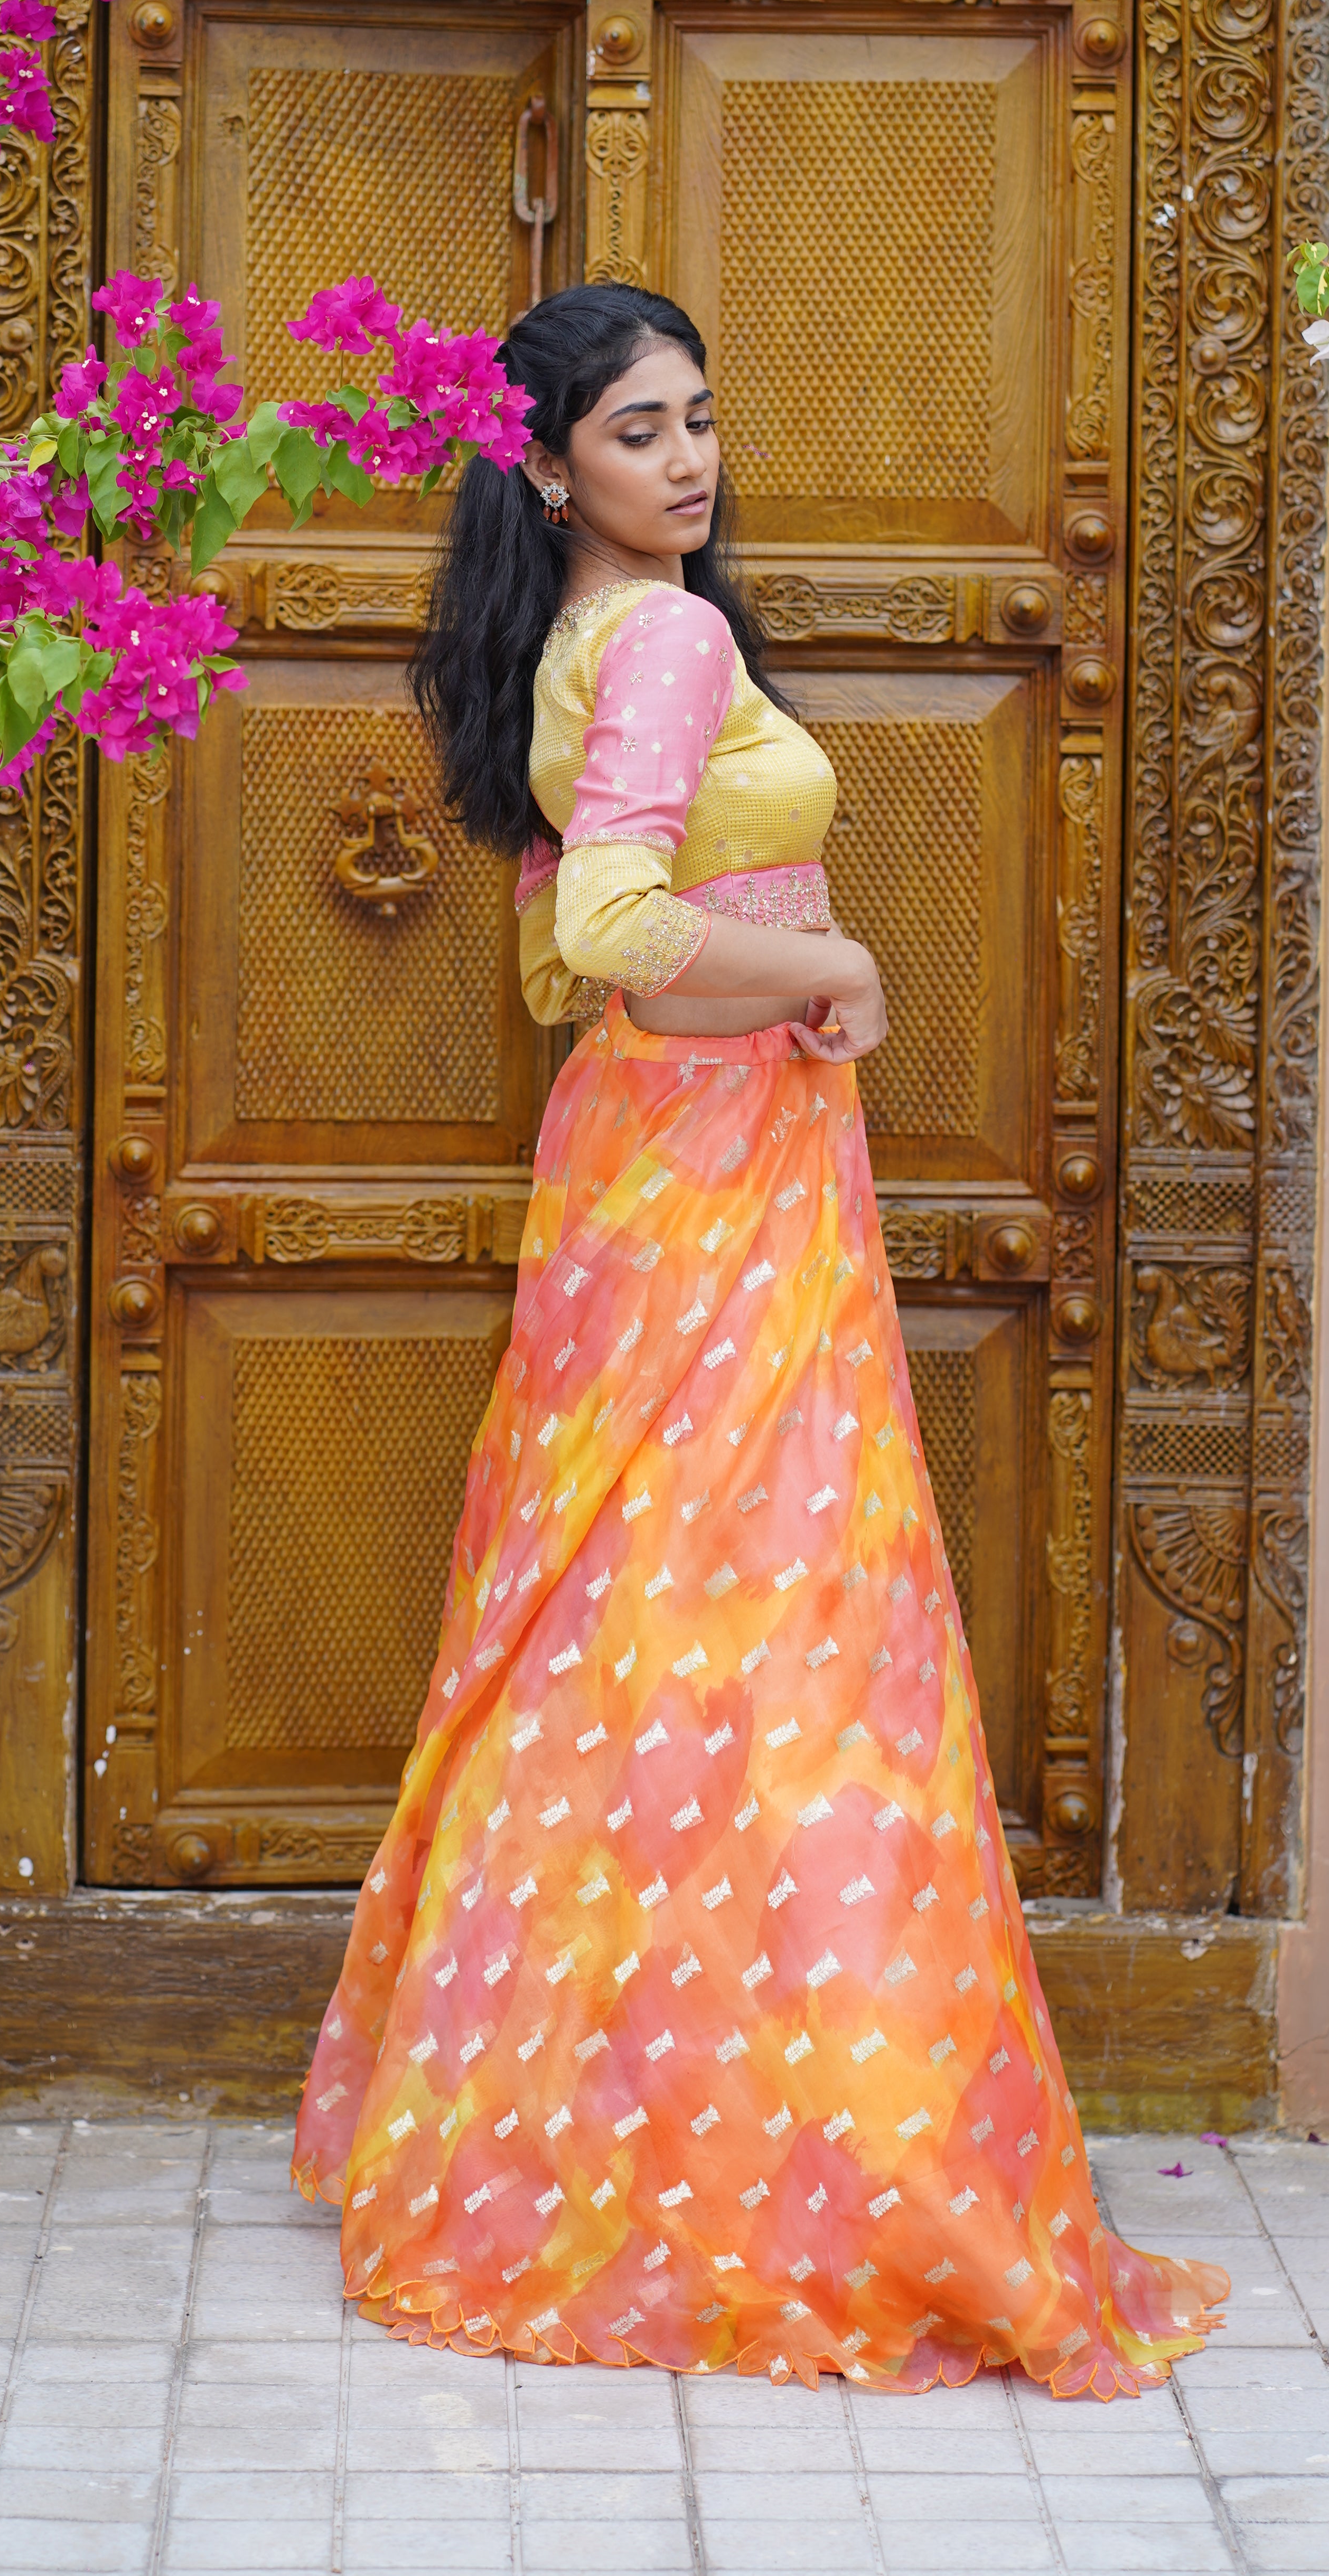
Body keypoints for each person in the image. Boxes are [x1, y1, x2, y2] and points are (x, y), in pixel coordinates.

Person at [293, 284, 1226, 2398]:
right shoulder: (670, 637)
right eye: (639, 431)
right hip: (710, 1173)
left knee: (621, 1636)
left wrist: (760, 972)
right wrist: (841, 957)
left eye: (700, 418)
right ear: (548, 467)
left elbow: (566, 966)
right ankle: (794, 2166)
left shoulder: (563, 639)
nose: (688, 461)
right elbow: (613, 941)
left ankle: (577, 2147)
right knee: (778, 1646)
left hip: (644, 1162)